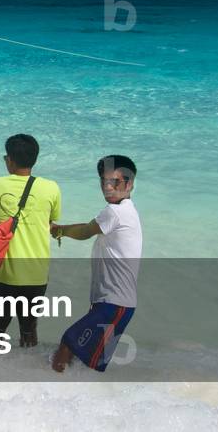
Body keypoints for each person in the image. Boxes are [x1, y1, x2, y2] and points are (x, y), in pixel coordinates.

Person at [51, 155, 142, 373]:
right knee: (90, 364)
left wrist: (58, 230)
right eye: (103, 181)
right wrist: (60, 229)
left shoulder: (116, 212)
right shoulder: (126, 210)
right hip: (118, 304)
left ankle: (47, 389)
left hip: (114, 304)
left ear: (129, 184)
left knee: (69, 342)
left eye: (115, 182)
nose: (108, 187)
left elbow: (84, 232)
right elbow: (90, 227)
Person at [0, 134, 62, 348]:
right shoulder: (51, 187)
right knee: (28, 331)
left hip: (3, 274)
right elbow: (53, 218)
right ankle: (28, 373)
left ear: (10, 160)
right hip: (36, 276)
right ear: (34, 159)